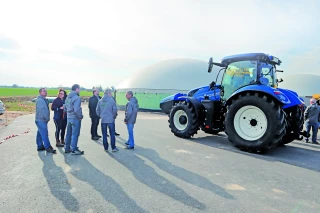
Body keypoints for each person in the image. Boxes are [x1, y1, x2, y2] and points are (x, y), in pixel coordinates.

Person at [96, 88, 119, 152]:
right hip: (110, 120)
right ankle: (113, 147)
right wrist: (113, 116)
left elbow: (97, 110)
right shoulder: (111, 101)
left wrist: (101, 116)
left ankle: (105, 147)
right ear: (108, 93)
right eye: (110, 93)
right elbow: (115, 110)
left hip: (103, 120)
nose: (111, 94)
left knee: (104, 134)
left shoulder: (100, 101)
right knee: (112, 134)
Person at [64, 84, 84, 155]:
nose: (80, 90)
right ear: (77, 89)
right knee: (75, 134)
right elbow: (76, 109)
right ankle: (74, 149)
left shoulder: (67, 97)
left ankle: (67, 148)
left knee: (68, 133)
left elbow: (65, 107)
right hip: (75, 118)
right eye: (79, 89)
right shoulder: (77, 98)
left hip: (69, 118)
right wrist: (80, 116)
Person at [35, 88, 56, 153]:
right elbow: (41, 111)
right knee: (44, 134)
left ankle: (40, 146)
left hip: (40, 120)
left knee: (40, 133)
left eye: (46, 91)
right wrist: (44, 118)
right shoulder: (40, 100)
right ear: (40, 92)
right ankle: (48, 147)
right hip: (41, 120)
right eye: (44, 91)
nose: (45, 92)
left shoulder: (43, 99)